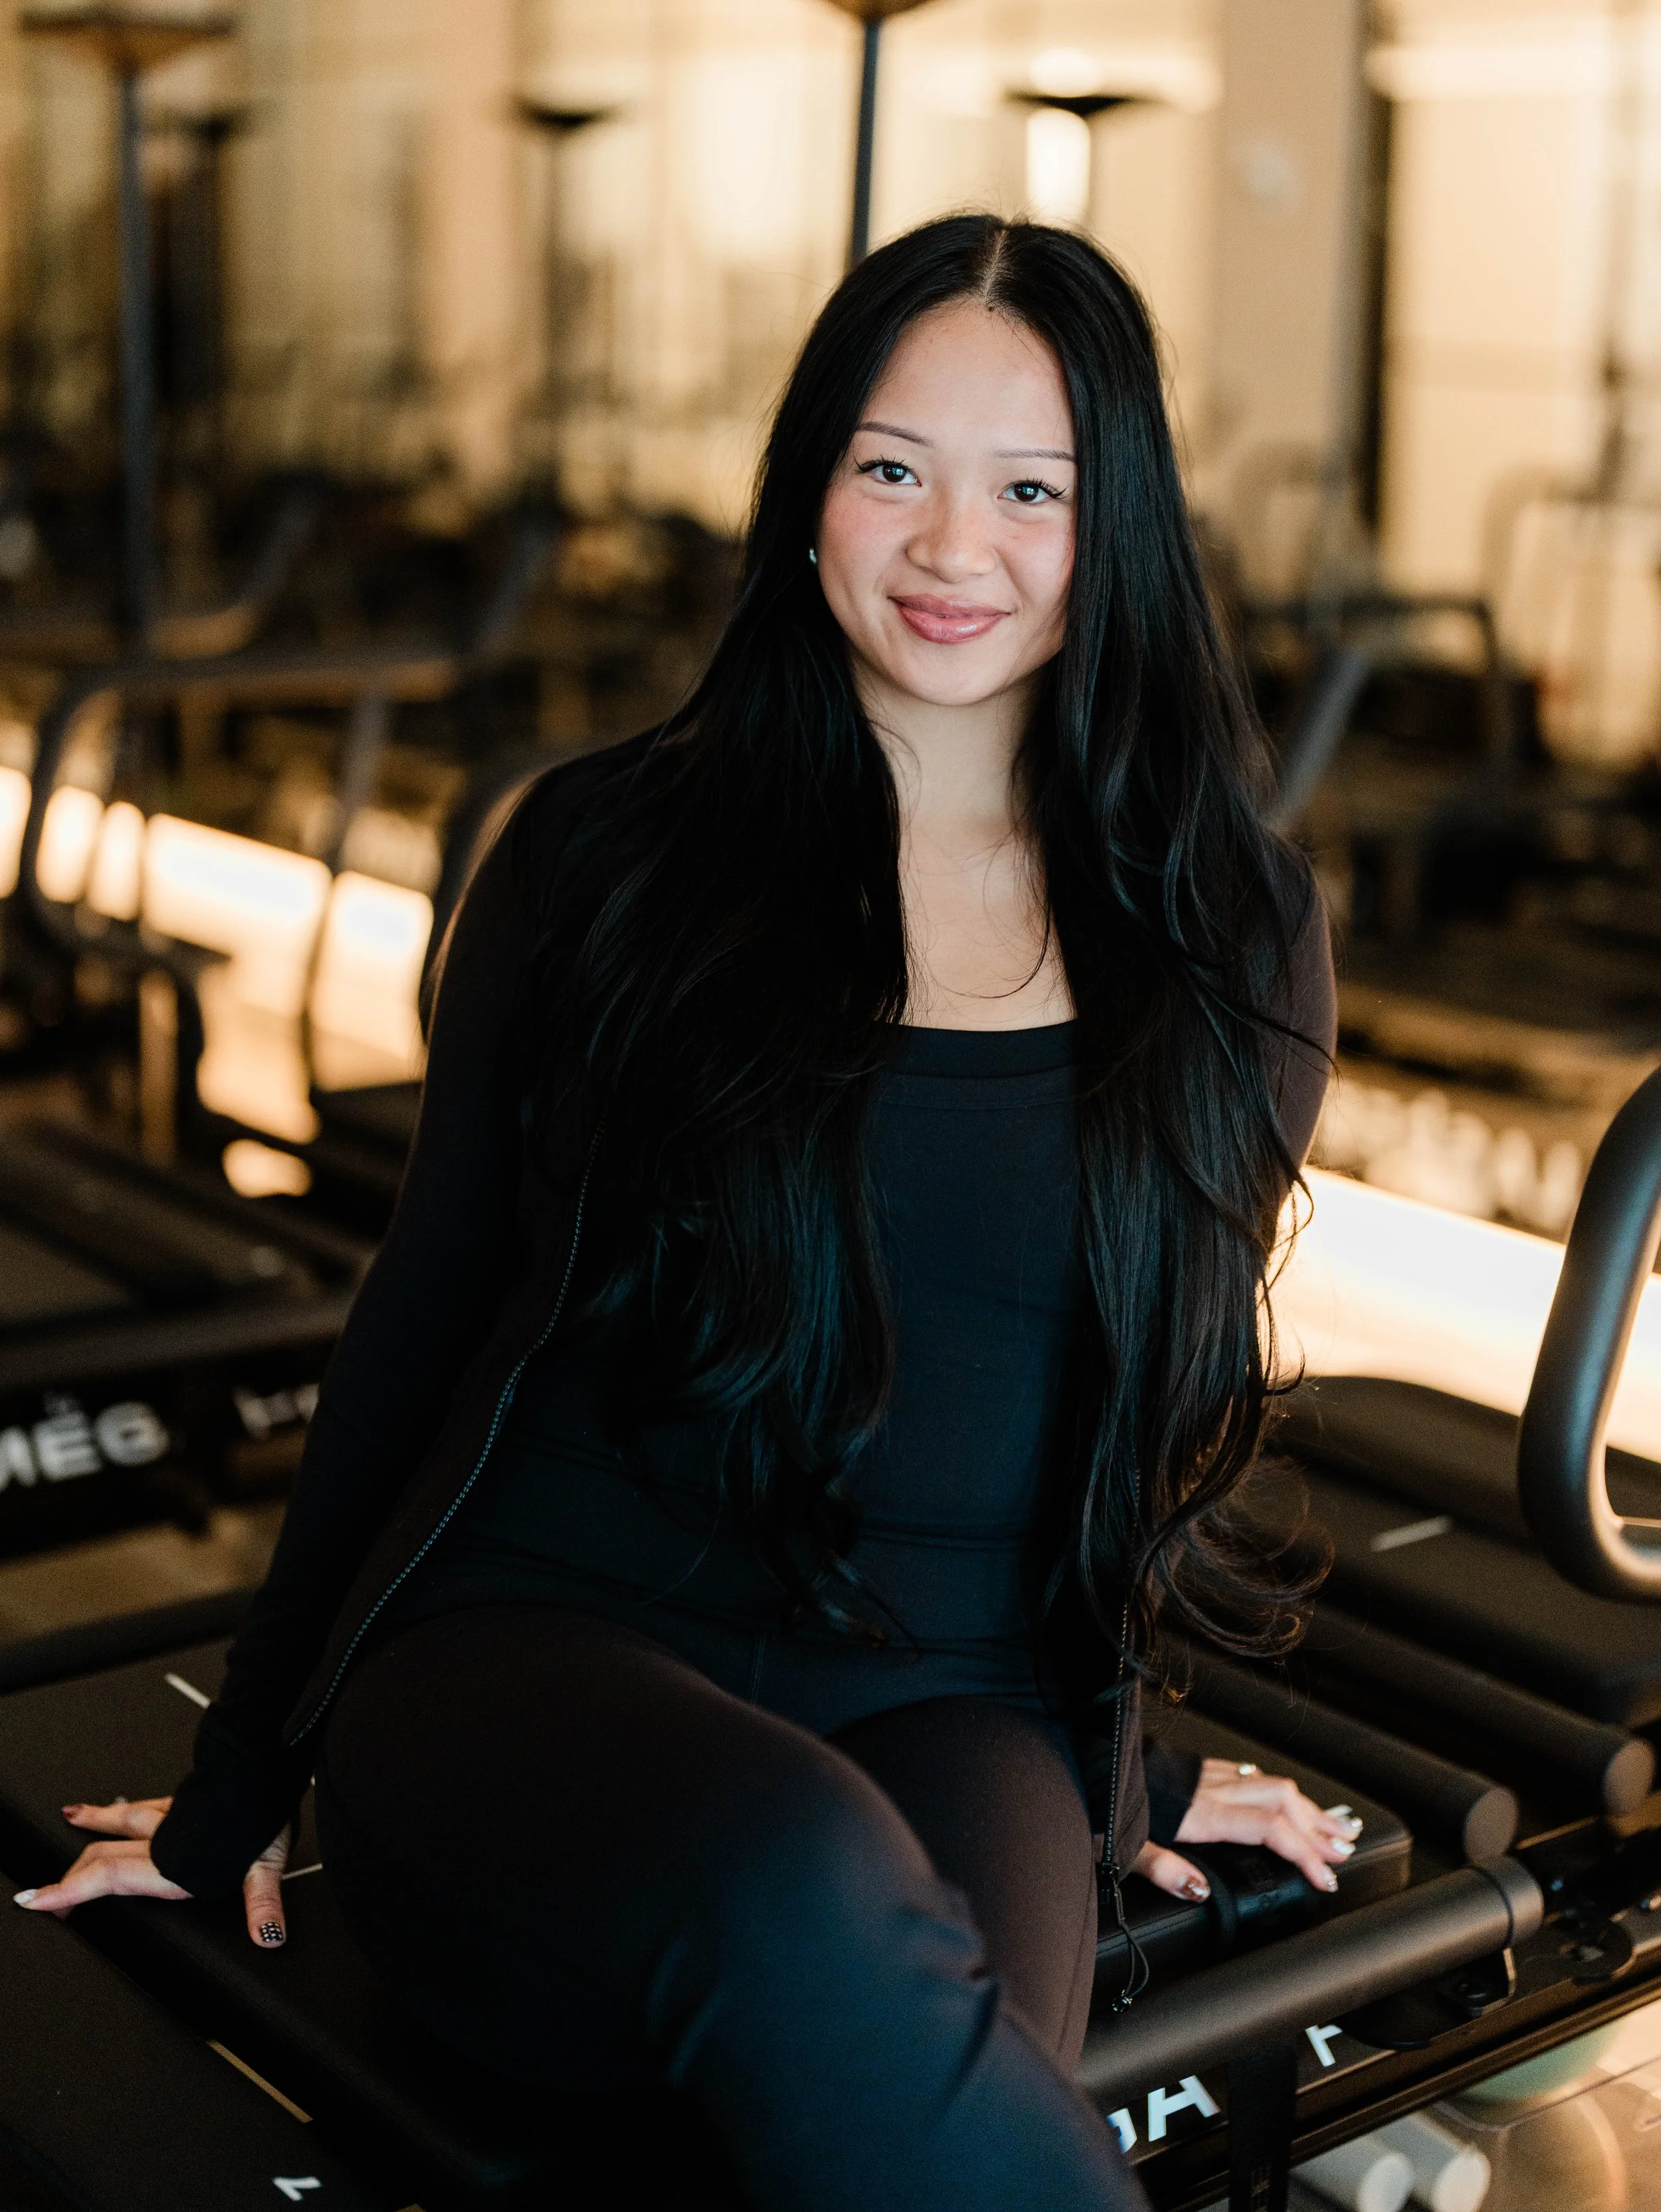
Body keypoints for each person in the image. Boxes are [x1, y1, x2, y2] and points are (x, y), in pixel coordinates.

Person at [21, 216, 1346, 2211]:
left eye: (1032, 489)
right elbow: (426, 1313)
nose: (949, 546)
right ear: (805, 488)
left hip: (946, 1704)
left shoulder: (1226, 940)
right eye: (890, 465)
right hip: (535, 1661)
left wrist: (1126, 1766)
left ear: (1120, 525)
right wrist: (236, 1790)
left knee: (927, 2005)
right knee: (799, 1889)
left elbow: (1110, 1407)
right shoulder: (606, 854)